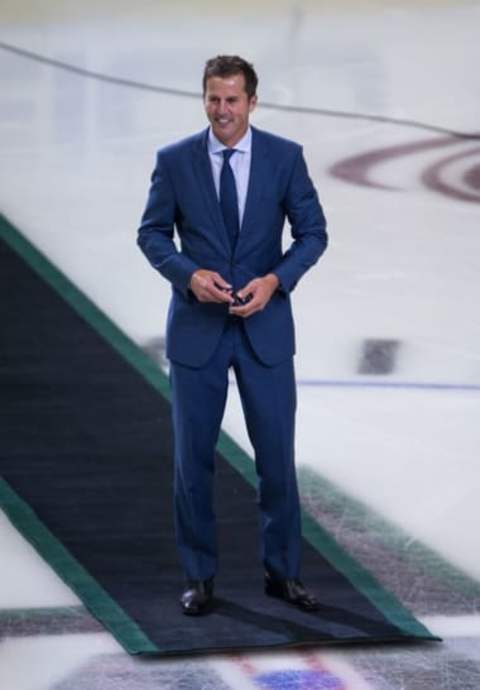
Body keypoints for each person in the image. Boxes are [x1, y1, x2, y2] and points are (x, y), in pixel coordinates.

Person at [137, 55, 328, 616]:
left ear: (252, 102)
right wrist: (188, 275)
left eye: (233, 100)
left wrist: (275, 281)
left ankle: (282, 574)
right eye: (214, 99)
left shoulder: (284, 158)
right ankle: (200, 577)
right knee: (192, 462)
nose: (222, 110)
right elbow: (151, 233)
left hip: (263, 330)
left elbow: (313, 233)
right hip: (198, 330)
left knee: (276, 459)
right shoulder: (174, 161)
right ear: (204, 99)